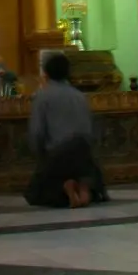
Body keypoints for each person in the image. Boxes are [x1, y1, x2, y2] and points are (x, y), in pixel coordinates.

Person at [25, 52, 107, 209]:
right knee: (86, 168)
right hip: (84, 153)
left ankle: (68, 187)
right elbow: (91, 128)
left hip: (58, 154)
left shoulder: (42, 96)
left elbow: (37, 132)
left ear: (46, 73)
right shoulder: (79, 96)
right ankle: (84, 186)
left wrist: (39, 153)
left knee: (39, 192)